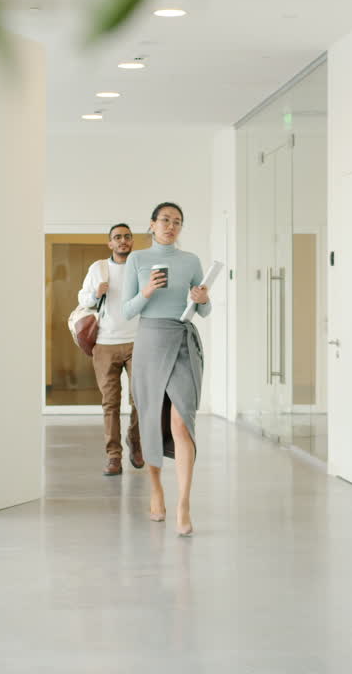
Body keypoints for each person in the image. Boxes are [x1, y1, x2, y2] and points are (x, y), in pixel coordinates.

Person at [122, 203, 211, 537]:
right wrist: (147, 291)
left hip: (184, 341)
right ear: (152, 224)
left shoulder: (190, 261)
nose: (171, 226)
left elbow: (206, 310)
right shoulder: (137, 260)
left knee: (182, 421)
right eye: (165, 220)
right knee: (150, 419)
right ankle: (157, 489)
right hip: (149, 341)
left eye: (177, 222)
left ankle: (184, 503)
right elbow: (128, 309)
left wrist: (201, 297)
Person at [76, 223, 142, 476]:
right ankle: (114, 456)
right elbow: (83, 299)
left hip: (138, 341)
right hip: (105, 343)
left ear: (132, 241)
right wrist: (95, 293)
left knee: (140, 399)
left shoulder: (139, 266)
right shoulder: (98, 268)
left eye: (127, 237)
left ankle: (135, 440)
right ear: (110, 244)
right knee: (110, 403)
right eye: (117, 237)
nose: (123, 241)